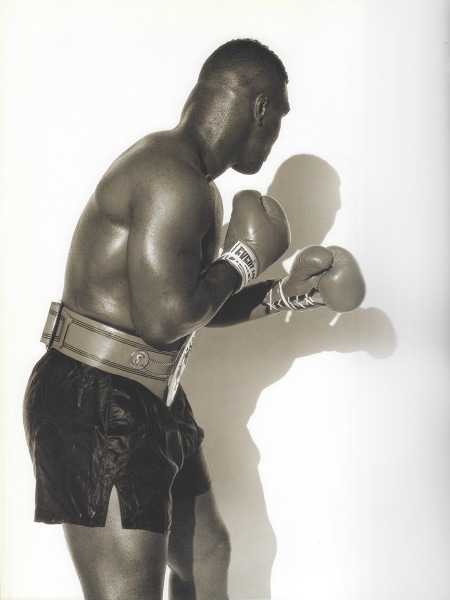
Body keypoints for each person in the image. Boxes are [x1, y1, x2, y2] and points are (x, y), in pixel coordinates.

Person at [24, 39, 365, 600]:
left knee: (207, 557)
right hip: (95, 401)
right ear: (260, 108)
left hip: (151, 397)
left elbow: (188, 307)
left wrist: (281, 295)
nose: (274, 135)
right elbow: (164, 321)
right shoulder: (169, 177)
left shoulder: (197, 186)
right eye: (277, 119)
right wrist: (242, 257)